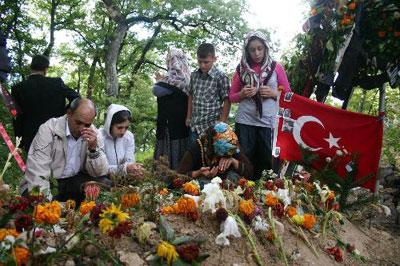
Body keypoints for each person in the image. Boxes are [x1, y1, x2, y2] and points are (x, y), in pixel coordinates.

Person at [20, 98, 109, 203]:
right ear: (69, 113)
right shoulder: (49, 129)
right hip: (48, 181)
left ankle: (83, 208)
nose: (82, 129)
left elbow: (100, 172)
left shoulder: (93, 133)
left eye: (87, 125)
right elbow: (37, 171)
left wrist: (93, 149)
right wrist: (46, 204)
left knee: (104, 184)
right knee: (35, 199)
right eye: (78, 122)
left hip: (74, 181)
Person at [229, 31, 291, 180]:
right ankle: (243, 194)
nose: (256, 53)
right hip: (245, 121)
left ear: (265, 48)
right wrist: (242, 94)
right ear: (247, 51)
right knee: (245, 159)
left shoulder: (276, 68)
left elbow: (288, 95)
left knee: (266, 161)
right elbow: (231, 97)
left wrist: (273, 93)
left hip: (268, 122)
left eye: (259, 48)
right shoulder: (241, 69)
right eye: (252, 49)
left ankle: (264, 195)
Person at [11, 54, 80, 151]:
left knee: (34, 165)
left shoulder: (17, 88)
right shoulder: (57, 83)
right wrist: (64, 112)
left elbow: (16, 116)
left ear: (31, 67)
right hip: (55, 136)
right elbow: (77, 98)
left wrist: (19, 141)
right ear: (46, 69)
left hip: (30, 139)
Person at [177, 122, 253, 184]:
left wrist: (233, 161)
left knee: (233, 177)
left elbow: (250, 172)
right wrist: (199, 173)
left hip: (227, 186)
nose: (223, 157)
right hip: (203, 187)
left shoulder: (232, 144)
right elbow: (178, 177)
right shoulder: (198, 147)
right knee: (203, 182)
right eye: (222, 154)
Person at [153, 48, 191, 170]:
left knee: (169, 159)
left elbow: (156, 90)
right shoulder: (188, 79)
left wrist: (159, 81)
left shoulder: (170, 80)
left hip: (170, 128)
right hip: (181, 128)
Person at [186, 43, 231, 143]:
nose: (202, 65)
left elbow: (227, 99)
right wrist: (188, 117)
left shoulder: (220, 77)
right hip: (194, 126)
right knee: (194, 156)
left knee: (210, 156)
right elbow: (191, 95)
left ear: (214, 59)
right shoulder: (194, 76)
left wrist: (222, 122)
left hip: (211, 126)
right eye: (199, 62)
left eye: (206, 62)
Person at [99, 104, 144, 178]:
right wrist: (125, 168)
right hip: (103, 178)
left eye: (126, 127)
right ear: (110, 124)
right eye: (119, 127)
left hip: (123, 177)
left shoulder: (128, 137)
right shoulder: (99, 136)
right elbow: (100, 168)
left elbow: (129, 161)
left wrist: (135, 169)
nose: (123, 132)